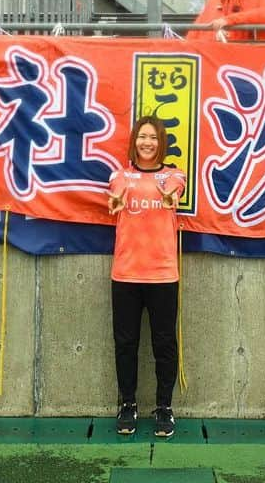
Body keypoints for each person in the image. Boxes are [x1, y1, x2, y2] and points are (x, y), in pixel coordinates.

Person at [106, 115, 186, 439]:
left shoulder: (173, 175)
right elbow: (116, 192)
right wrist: (116, 198)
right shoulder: (121, 175)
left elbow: (173, 191)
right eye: (142, 137)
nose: (147, 143)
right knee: (126, 344)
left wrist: (168, 197)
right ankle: (128, 404)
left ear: (160, 142)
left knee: (164, 344)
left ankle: (164, 407)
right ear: (134, 141)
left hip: (163, 275)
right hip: (125, 274)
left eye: (153, 137)